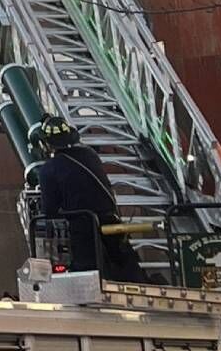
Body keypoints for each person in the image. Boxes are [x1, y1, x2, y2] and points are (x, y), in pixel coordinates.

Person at [33, 114, 149, 282]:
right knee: (127, 266)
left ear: (47, 144)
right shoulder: (90, 155)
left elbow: (49, 211)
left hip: (82, 228)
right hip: (111, 222)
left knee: (87, 272)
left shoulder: (49, 169)